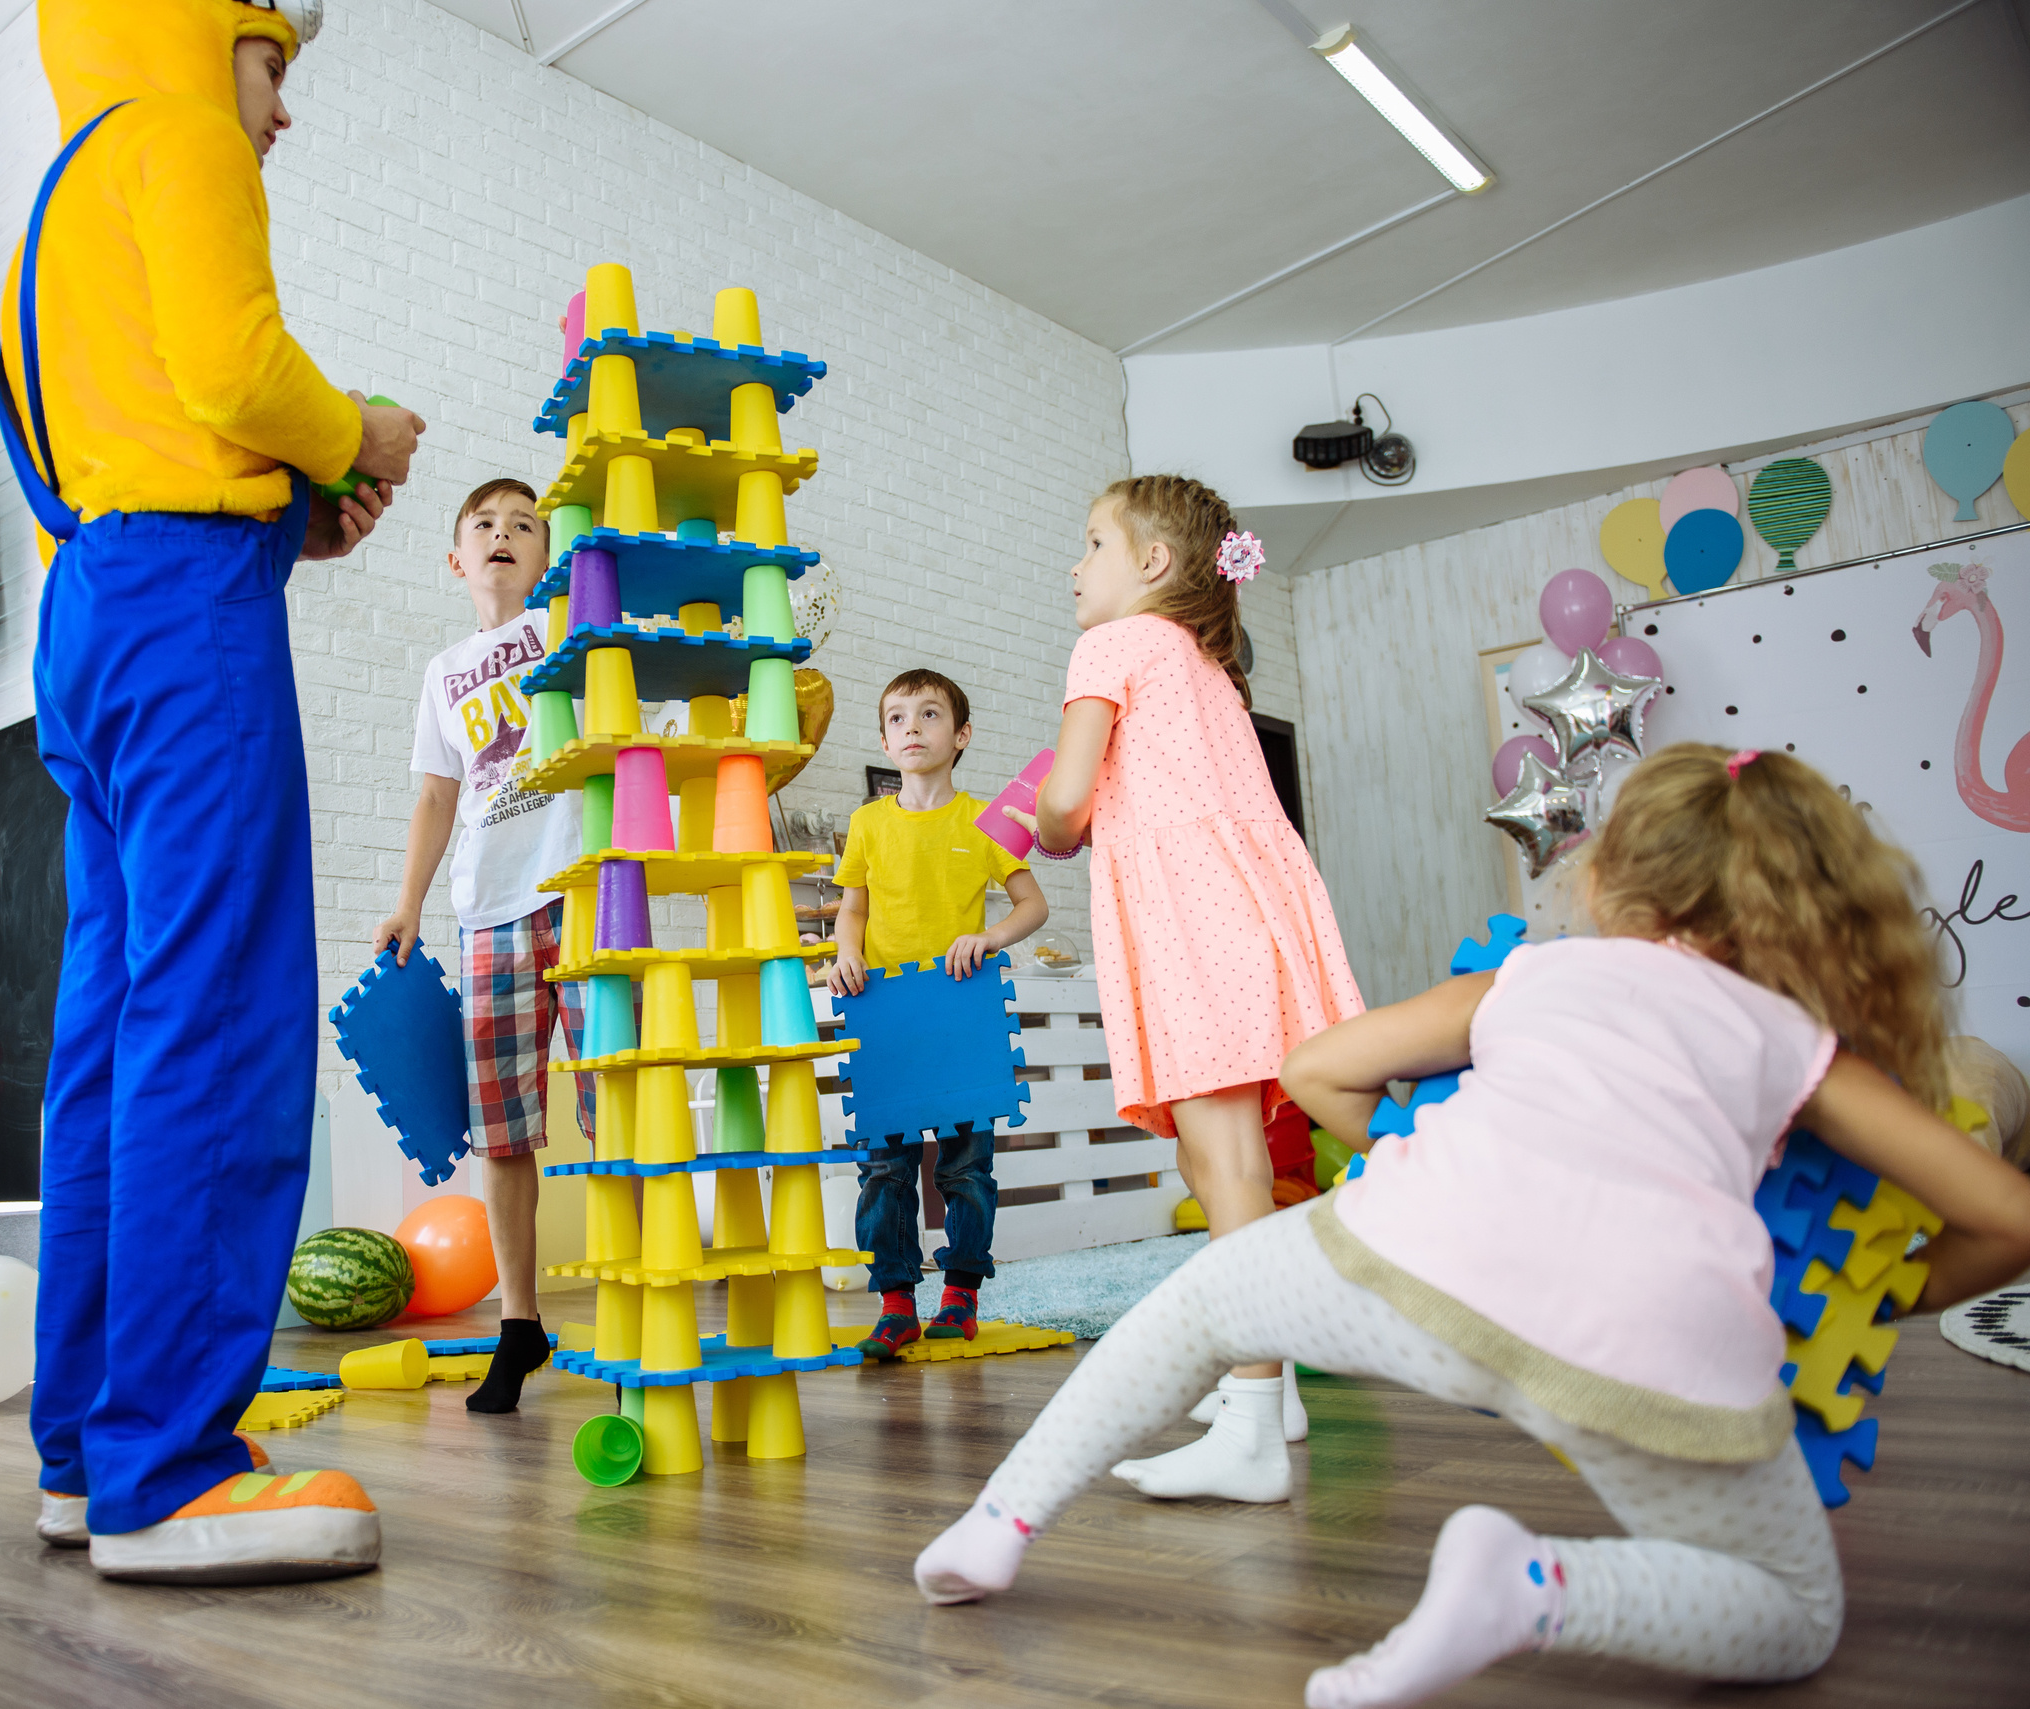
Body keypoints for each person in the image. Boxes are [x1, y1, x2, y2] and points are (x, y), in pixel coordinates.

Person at [916, 745, 2030, 1707]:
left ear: (1608, 878)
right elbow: (2006, 1214)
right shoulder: (1799, 1046)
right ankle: (1532, 1587)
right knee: (1795, 1609)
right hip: (1646, 1336)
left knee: (1199, 1304)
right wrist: (1894, 1292)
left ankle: (997, 1522)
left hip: (1412, 1252)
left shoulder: (1533, 973)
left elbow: (1315, 1068)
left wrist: (1410, 1151)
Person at [0, 0, 427, 1585]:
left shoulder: (61, 192)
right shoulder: (184, 135)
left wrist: (288, 514)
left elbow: (102, 436)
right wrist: (357, 436)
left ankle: (86, 1450)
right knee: (221, 1012)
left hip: (93, 606)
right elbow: (238, 371)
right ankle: (169, 1469)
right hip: (185, 615)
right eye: (274, 58)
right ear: (201, 26)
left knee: (114, 1035)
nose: (281, 108)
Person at [997, 475, 1363, 1500]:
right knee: (1226, 1156)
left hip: (1190, 918)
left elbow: (1066, 802)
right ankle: (1273, 1385)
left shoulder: (1111, 645)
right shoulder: (1209, 667)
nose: (1076, 566)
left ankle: (1250, 1426)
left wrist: (1042, 821)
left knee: (1225, 1160)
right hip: (1252, 907)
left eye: (1093, 543)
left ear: (1153, 562)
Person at [371, 478, 592, 1415]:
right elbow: (436, 795)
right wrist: (408, 904)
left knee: (616, 1101)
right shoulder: (444, 670)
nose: (504, 534)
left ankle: (634, 1295)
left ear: (547, 555)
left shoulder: (568, 628)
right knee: (502, 1132)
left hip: (585, 891)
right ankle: (518, 1322)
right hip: (487, 912)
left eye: (524, 525)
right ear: (456, 558)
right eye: (485, 525)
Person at [828, 669, 1047, 1357]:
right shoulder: (867, 823)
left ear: (961, 735)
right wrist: (846, 951)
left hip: (961, 1008)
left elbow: (1033, 904)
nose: (912, 728)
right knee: (884, 1170)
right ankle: (896, 1303)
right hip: (884, 1014)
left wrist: (990, 937)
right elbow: (853, 908)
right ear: (884, 741)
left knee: (965, 1170)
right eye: (897, 718)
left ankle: (960, 1294)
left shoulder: (985, 822)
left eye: (929, 714)